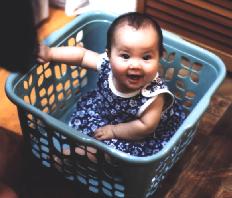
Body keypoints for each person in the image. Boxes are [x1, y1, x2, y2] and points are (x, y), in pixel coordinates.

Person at [38, 12, 186, 157]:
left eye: (146, 57)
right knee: (87, 129)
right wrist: (50, 53)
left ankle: (78, 157)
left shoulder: (154, 95)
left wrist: (114, 131)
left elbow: (146, 127)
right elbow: (82, 55)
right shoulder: (107, 64)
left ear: (160, 56)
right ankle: (82, 151)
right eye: (125, 56)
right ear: (109, 55)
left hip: (134, 133)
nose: (135, 64)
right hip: (105, 114)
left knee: (111, 153)